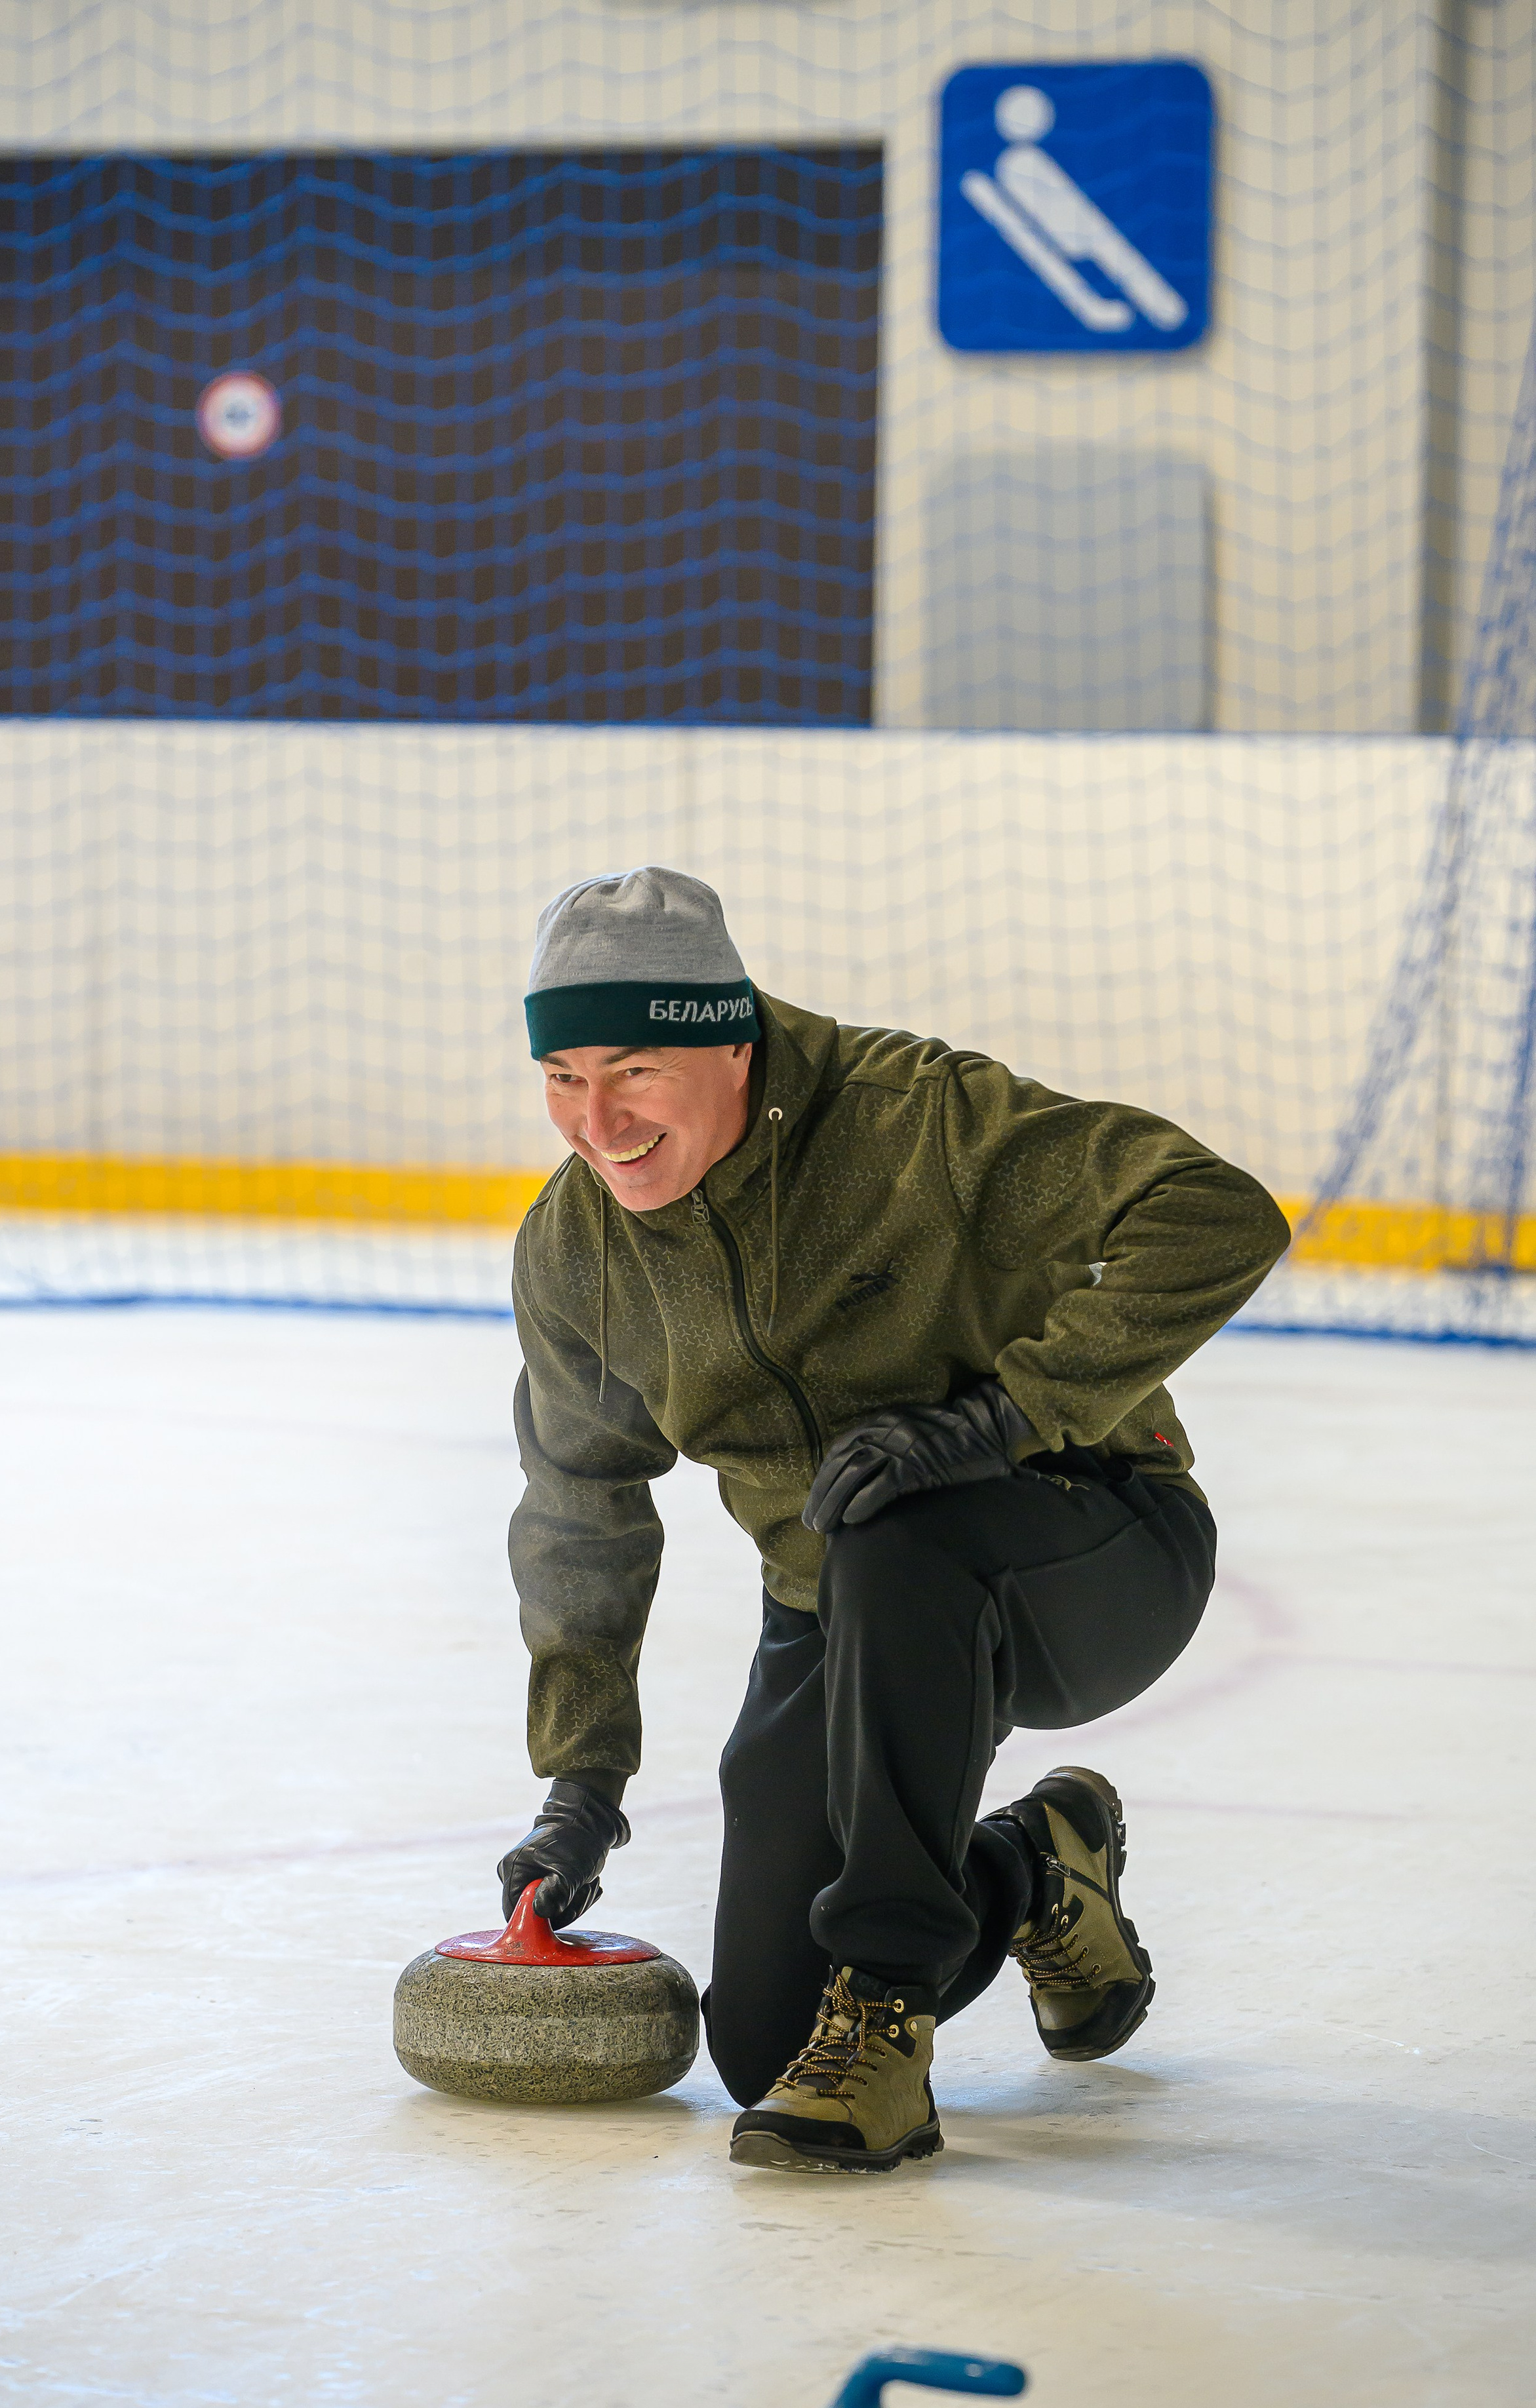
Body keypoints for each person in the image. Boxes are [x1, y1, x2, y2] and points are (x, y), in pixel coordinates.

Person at [497, 866, 1289, 2175]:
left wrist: (1000, 1418)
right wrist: (581, 1785)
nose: (596, 1120)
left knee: (893, 1529)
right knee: (759, 2044)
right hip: (837, 1608)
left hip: (1087, 1548)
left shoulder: (911, 1122)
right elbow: (580, 1509)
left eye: (633, 1070)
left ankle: (884, 2014)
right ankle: (1035, 1870)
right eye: (562, 1076)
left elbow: (1211, 1213)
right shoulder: (577, 1251)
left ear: (726, 1036)